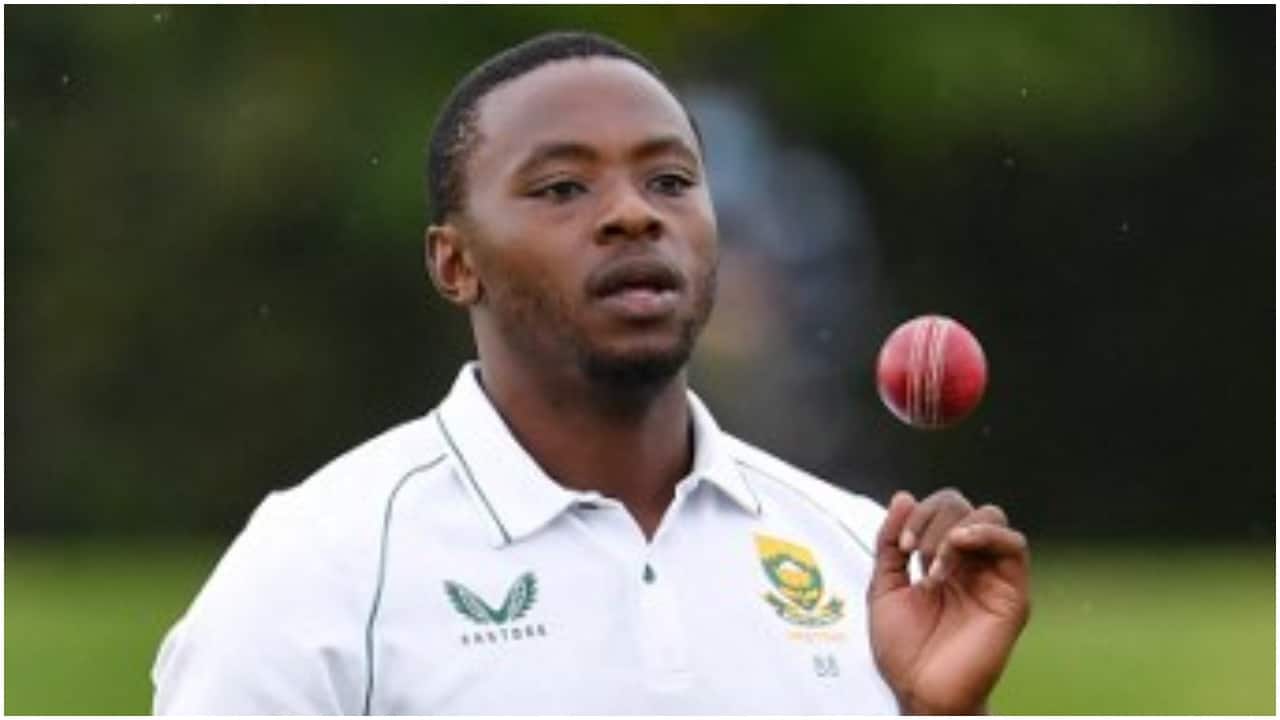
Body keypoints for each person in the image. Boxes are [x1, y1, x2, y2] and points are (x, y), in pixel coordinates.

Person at [152, 31, 1030, 715]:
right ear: (455, 263)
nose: (632, 215)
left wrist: (945, 711)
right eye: (563, 188)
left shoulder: (853, 555)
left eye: (672, 180)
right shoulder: (322, 566)